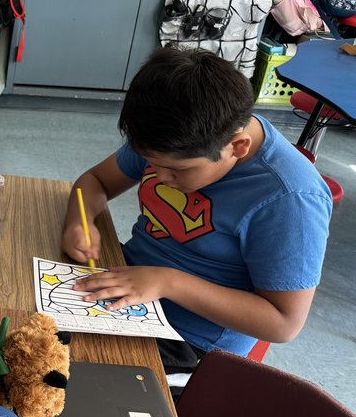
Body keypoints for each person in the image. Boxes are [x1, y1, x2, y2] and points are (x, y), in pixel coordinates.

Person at [62, 47, 333, 375]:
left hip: (190, 343)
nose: (159, 177)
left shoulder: (290, 198)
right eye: (150, 164)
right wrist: (80, 220)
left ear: (237, 146)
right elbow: (95, 181)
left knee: (55, 374)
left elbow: (283, 323)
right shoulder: (176, 137)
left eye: (177, 171)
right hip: (126, 283)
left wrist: (168, 282)